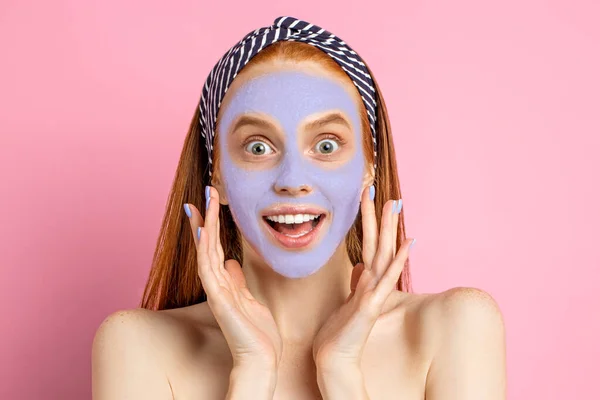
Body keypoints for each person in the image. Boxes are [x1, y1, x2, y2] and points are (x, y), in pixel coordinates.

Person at [92, 16, 506, 399]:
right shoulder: (138, 346)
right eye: (258, 146)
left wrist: (341, 372)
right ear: (216, 171)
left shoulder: (455, 329)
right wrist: (252, 372)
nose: (292, 179)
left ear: (369, 166)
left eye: (326, 145)